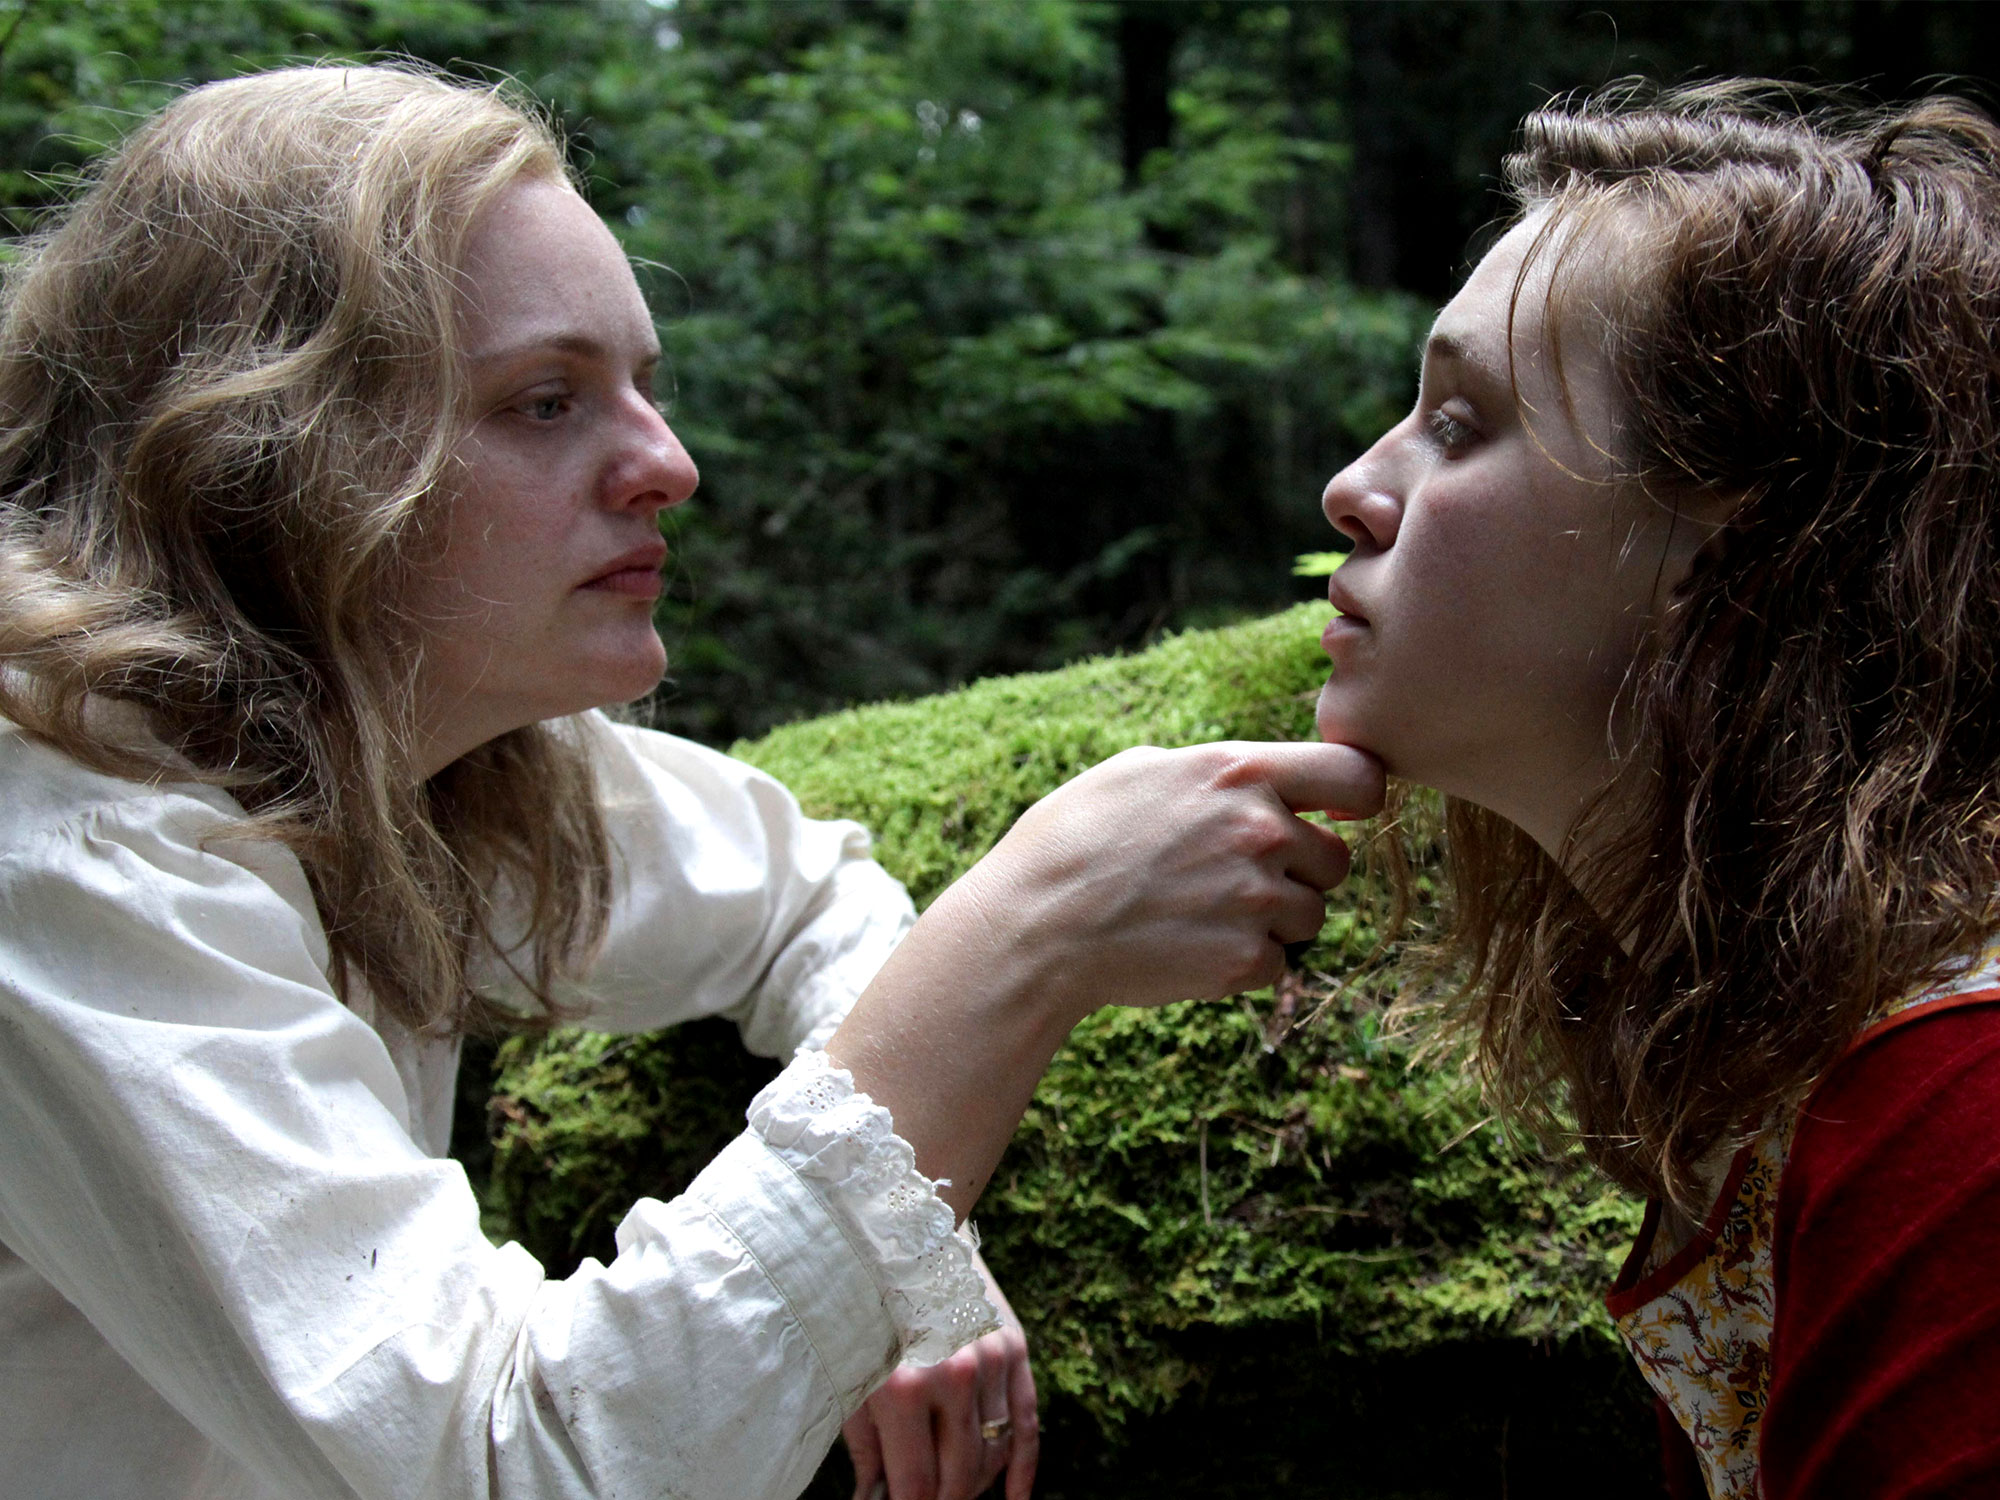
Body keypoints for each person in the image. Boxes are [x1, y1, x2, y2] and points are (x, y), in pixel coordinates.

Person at [0, 65, 1386, 1500]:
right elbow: (522, 1465)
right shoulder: (74, 856)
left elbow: (801, 896)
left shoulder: (413, 765)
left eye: (643, 391)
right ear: (265, 453)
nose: (669, 465)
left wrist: (899, 1249)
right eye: (546, 402)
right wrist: (1030, 933)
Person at [1314, 80, 2000, 1499]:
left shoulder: (1962, 1112)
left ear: (1732, 542)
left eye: (1461, 424)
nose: (1353, 488)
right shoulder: (1806, 1066)